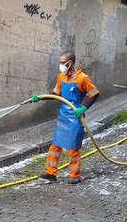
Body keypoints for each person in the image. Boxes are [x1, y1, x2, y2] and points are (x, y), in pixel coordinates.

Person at [31, 51, 99, 184]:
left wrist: (84, 107)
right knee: (55, 146)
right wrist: (40, 97)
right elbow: (54, 94)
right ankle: (51, 173)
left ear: (70, 63)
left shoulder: (82, 78)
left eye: (63, 63)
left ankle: (75, 175)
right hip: (63, 117)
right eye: (60, 62)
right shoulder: (61, 77)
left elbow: (94, 94)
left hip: (75, 116)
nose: (61, 65)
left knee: (73, 148)